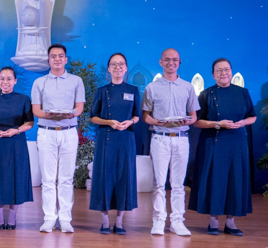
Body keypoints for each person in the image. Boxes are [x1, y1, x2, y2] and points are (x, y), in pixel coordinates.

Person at [189, 58, 257, 236]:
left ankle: (231, 223)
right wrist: (217, 124)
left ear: (232, 72)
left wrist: (243, 122)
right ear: (213, 75)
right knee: (215, 181)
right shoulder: (206, 94)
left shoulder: (243, 93)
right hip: (214, 143)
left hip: (237, 142)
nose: (223, 73)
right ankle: (213, 221)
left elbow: (252, 117)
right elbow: (197, 122)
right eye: (219, 71)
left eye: (226, 69)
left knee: (235, 181)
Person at [142, 48, 200, 236]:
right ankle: (159, 220)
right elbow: (146, 117)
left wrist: (186, 121)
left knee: (178, 183)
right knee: (159, 182)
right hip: (160, 138)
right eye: (167, 60)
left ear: (179, 62)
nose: (171, 63)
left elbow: (193, 117)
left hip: (182, 139)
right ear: (161, 62)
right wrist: (158, 122)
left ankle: (177, 221)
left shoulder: (187, 87)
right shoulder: (152, 87)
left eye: (174, 60)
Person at [31, 44, 86, 233]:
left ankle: (65, 219)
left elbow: (79, 108)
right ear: (48, 60)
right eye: (53, 56)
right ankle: (49, 218)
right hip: (46, 132)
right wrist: (49, 115)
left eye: (60, 56)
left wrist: (70, 115)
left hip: (69, 131)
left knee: (65, 178)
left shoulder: (76, 81)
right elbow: (36, 110)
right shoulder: (39, 82)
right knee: (47, 179)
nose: (57, 59)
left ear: (66, 59)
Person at [89, 53, 140, 235]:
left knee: (123, 177)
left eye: (121, 64)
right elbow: (93, 117)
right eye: (114, 64)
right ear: (108, 69)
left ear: (126, 68)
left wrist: (130, 122)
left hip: (126, 139)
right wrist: (110, 122)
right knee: (105, 177)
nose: (118, 67)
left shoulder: (133, 90)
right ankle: (104, 221)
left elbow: (137, 115)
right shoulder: (102, 91)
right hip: (106, 138)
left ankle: (119, 221)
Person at [0, 67, 34, 229]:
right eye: (2, 78)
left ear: (15, 81)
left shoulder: (23, 99)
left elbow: (30, 123)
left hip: (16, 141)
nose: (5, 82)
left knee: (15, 177)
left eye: (9, 79)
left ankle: (12, 217)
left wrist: (16, 130)